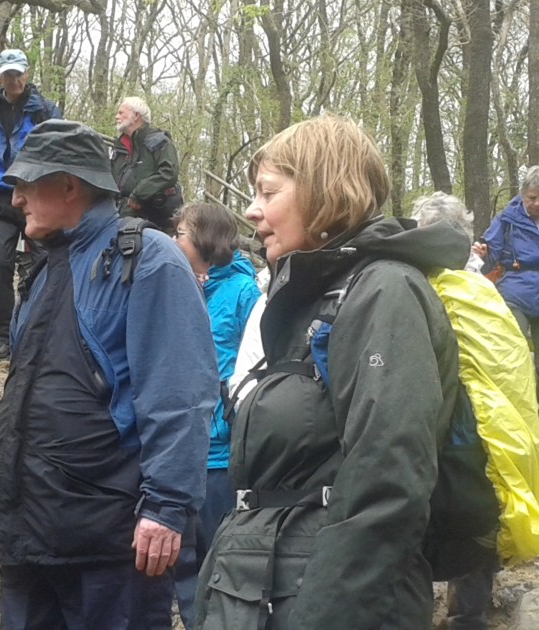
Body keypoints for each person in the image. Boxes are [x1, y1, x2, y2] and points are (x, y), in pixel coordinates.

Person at [196, 115, 470, 629]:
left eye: (268, 191)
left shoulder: (384, 291)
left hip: (325, 602)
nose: (252, 210)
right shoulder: (310, 299)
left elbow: (388, 479)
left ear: (325, 192)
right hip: (264, 590)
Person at [0, 119, 220, 630]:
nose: (16, 199)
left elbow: (181, 394)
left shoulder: (149, 260)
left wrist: (166, 508)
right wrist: (5, 511)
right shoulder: (46, 266)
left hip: (110, 550)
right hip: (29, 542)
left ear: (69, 185)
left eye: (25, 184)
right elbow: (22, 399)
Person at [169, 202, 261, 629]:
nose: (174, 240)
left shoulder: (245, 293)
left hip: (223, 452)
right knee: (184, 564)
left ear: (206, 239)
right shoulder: (173, 284)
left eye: (182, 233)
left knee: (221, 559)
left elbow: (261, 369)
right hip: (179, 448)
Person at [413, 192, 499, 630]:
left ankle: (462, 616)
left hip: (462, 431)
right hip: (445, 431)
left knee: (468, 517)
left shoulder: (476, 289)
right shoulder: (409, 281)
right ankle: (449, 614)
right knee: (455, 518)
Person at [0, 48, 62, 360]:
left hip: (35, 195)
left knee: (44, 264)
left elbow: (59, 148)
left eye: (18, 73)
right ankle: (3, 333)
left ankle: (38, 331)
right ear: (0, 76)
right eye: (8, 73)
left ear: (27, 74)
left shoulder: (46, 110)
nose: (14, 79)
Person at [472, 166, 539, 376]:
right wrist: (482, 251)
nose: (536, 203)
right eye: (532, 197)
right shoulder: (507, 219)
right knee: (514, 354)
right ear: (523, 195)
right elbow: (490, 253)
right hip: (514, 292)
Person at [111, 97, 184, 232]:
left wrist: (140, 193)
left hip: (156, 221)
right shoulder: (119, 147)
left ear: (136, 116)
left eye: (121, 113)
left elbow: (169, 172)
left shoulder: (159, 141)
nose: (117, 117)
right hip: (121, 218)